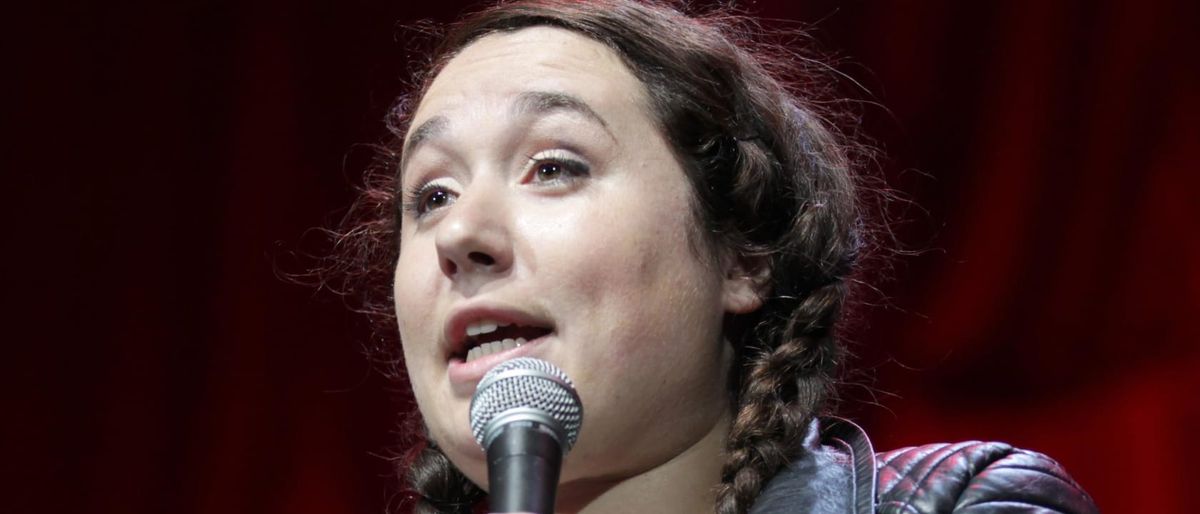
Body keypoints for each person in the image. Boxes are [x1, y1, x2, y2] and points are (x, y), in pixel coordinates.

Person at [325, 1, 1099, 512]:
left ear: (743, 257)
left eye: (554, 167)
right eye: (432, 196)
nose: (460, 233)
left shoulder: (967, 503)